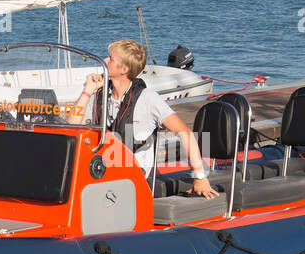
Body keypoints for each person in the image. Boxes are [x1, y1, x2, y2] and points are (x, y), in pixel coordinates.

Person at [69, 39, 218, 198]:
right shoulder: (100, 95)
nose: (104, 61)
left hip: (132, 177)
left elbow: (184, 132)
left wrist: (199, 176)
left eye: (111, 59)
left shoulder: (147, 98)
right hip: (101, 170)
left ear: (124, 69)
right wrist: (87, 91)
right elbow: (71, 125)